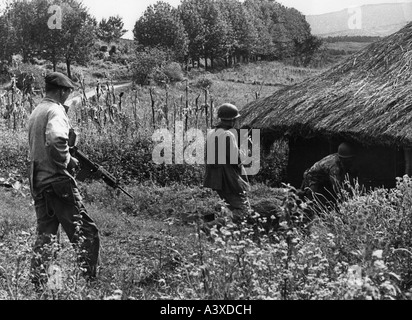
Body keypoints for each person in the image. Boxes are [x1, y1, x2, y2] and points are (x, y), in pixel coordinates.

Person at [28, 72, 100, 288]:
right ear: (61, 91)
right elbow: (57, 139)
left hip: (39, 182)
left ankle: (41, 283)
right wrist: (67, 161)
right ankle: (90, 282)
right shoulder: (55, 110)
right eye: (68, 92)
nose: (69, 96)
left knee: (47, 237)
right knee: (87, 232)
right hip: (58, 183)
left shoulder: (37, 111)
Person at [203, 103, 251, 230]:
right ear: (233, 120)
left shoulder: (211, 133)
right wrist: (245, 151)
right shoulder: (228, 135)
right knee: (243, 210)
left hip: (216, 178)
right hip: (228, 178)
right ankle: (210, 226)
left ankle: (228, 232)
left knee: (231, 206)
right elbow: (236, 160)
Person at [299, 142, 357, 208]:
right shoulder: (334, 167)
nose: (351, 162)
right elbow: (337, 188)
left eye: (351, 159)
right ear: (342, 159)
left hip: (324, 179)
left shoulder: (340, 159)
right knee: (314, 204)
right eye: (348, 160)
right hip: (313, 179)